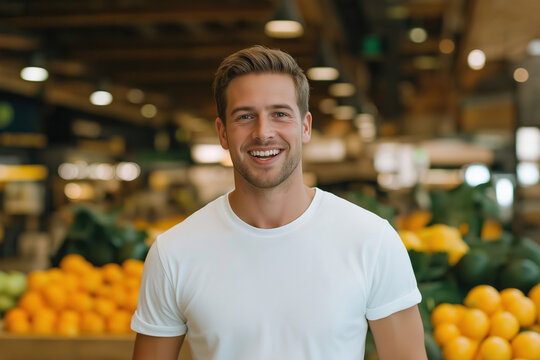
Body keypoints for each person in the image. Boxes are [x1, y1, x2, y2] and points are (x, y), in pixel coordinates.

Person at [131, 45, 427, 360]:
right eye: (245, 116)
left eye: (280, 114)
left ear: (305, 126)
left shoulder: (372, 241)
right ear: (222, 133)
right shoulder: (174, 253)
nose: (263, 132)